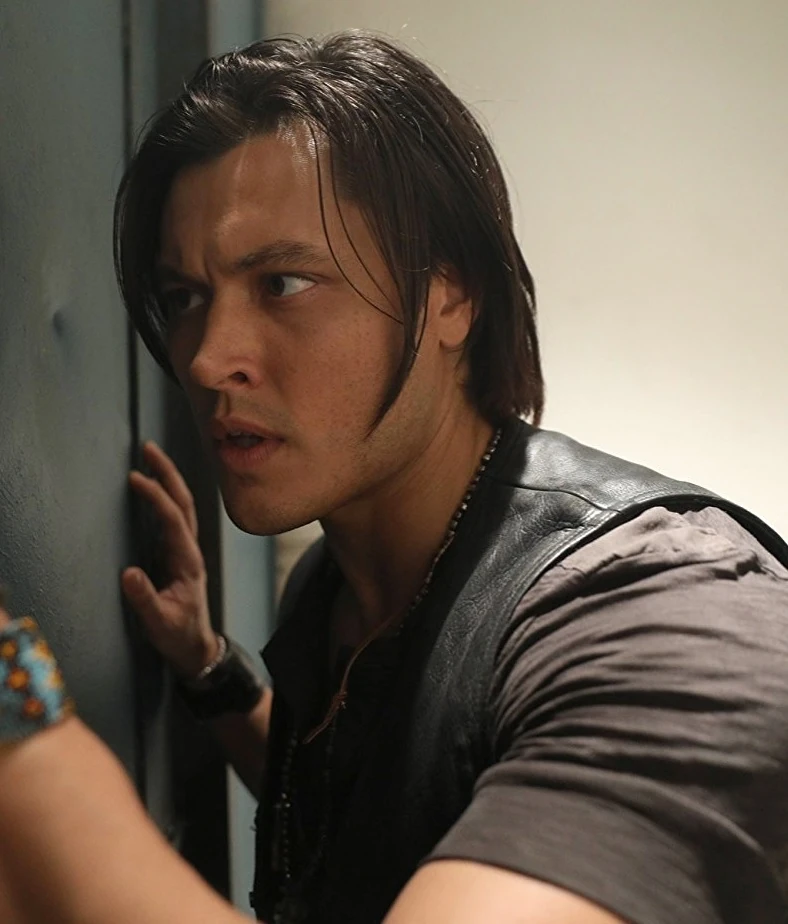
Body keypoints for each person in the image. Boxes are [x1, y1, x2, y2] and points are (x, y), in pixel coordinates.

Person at [1, 29, 788, 924]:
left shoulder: (666, 619)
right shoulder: (332, 586)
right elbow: (375, 819)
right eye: (185, 299)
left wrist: (16, 719)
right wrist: (209, 667)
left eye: (284, 284)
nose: (210, 360)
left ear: (452, 295)